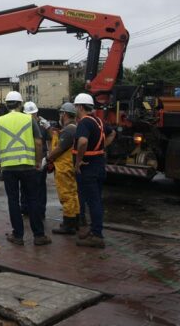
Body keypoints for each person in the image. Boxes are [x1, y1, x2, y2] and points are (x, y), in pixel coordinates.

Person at [0, 91, 50, 246]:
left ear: (7, 104)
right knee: (33, 199)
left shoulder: (0, 121)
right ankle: (39, 235)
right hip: (28, 166)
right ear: (20, 104)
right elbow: (38, 142)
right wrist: (38, 161)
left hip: (9, 168)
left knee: (13, 201)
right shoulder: (29, 119)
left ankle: (18, 236)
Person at [72, 93, 115, 248]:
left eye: (76, 106)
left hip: (88, 168)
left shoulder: (84, 122)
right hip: (98, 165)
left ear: (81, 107)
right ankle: (94, 229)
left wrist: (78, 162)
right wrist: (101, 147)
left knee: (93, 201)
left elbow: (82, 142)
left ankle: (97, 235)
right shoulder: (98, 121)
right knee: (96, 199)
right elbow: (112, 133)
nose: (75, 109)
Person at [46, 102, 80, 235]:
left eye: (61, 113)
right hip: (69, 166)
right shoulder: (74, 128)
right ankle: (74, 221)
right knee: (73, 194)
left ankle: (69, 225)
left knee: (66, 195)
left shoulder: (68, 130)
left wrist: (49, 158)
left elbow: (59, 149)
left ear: (65, 114)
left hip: (64, 167)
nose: (60, 116)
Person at [21, 101, 48, 220]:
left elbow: (41, 144)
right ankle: (38, 211)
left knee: (29, 186)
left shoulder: (31, 127)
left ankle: (29, 210)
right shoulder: (42, 126)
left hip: (33, 161)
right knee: (38, 187)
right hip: (36, 160)